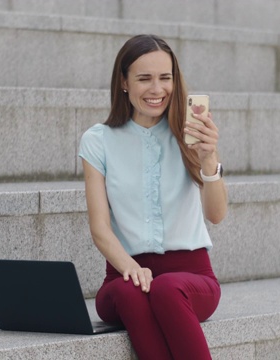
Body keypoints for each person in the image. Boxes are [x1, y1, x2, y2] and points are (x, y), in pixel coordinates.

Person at [78, 34, 228, 360]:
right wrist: (130, 267)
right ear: (124, 82)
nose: (157, 89)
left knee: (166, 289)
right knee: (128, 292)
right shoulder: (97, 141)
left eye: (165, 78)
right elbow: (100, 228)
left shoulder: (191, 134)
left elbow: (216, 215)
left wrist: (208, 157)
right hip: (124, 274)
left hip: (191, 279)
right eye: (144, 78)